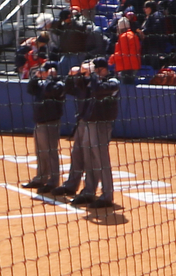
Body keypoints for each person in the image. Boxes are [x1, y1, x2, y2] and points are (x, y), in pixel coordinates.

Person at [58, 63, 120, 208]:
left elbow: (98, 89)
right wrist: (73, 76)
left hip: (101, 123)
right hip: (88, 122)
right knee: (88, 157)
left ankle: (107, 196)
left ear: (102, 70)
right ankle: (89, 192)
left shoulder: (112, 82)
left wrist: (91, 75)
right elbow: (70, 89)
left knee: (101, 160)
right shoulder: (91, 81)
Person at [23, 62, 68, 192]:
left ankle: (53, 182)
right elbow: (30, 89)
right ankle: (40, 178)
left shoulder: (59, 85)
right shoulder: (41, 84)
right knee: (40, 152)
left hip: (51, 123)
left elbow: (49, 91)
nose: (42, 73)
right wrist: (36, 77)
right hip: (40, 122)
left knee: (50, 153)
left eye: (45, 71)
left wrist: (50, 78)